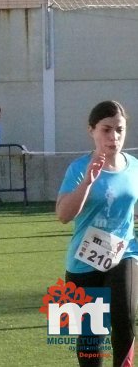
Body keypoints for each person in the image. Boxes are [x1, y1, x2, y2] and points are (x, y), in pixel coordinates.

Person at [56, 100, 138, 367]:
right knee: (90, 336)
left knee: (124, 318)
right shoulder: (78, 169)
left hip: (124, 252)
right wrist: (88, 182)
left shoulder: (134, 167)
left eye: (119, 130)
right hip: (84, 260)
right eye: (106, 129)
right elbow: (64, 215)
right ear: (92, 130)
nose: (113, 137)